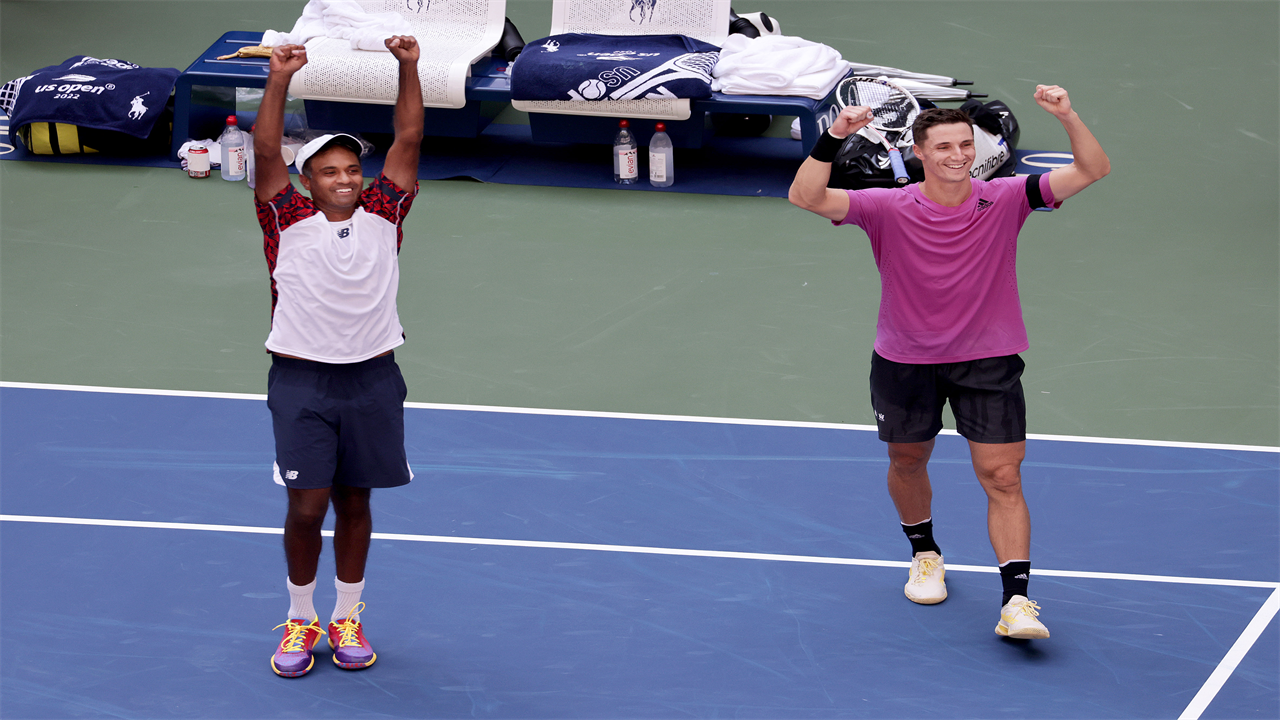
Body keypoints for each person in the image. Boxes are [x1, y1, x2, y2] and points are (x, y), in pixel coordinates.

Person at [788, 86, 1109, 639]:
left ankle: (1016, 603)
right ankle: (925, 552)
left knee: (1003, 476)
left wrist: (1067, 116)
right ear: (919, 153)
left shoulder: (1008, 197)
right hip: (906, 359)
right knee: (909, 460)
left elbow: (1092, 169)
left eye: (965, 144)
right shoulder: (885, 206)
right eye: (943, 147)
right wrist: (835, 135)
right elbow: (806, 196)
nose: (956, 155)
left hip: (988, 359)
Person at [252, 36, 423, 677]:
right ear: (308, 179)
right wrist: (280, 80)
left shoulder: (386, 211)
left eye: (353, 169)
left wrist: (408, 66)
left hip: (375, 377)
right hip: (302, 382)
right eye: (330, 170)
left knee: (356, 503)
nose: (346, 179)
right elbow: (266, 150)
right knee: (306, 506)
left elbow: (407, 139)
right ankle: (301, 618)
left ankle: (346, 615)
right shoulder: (285, 218)